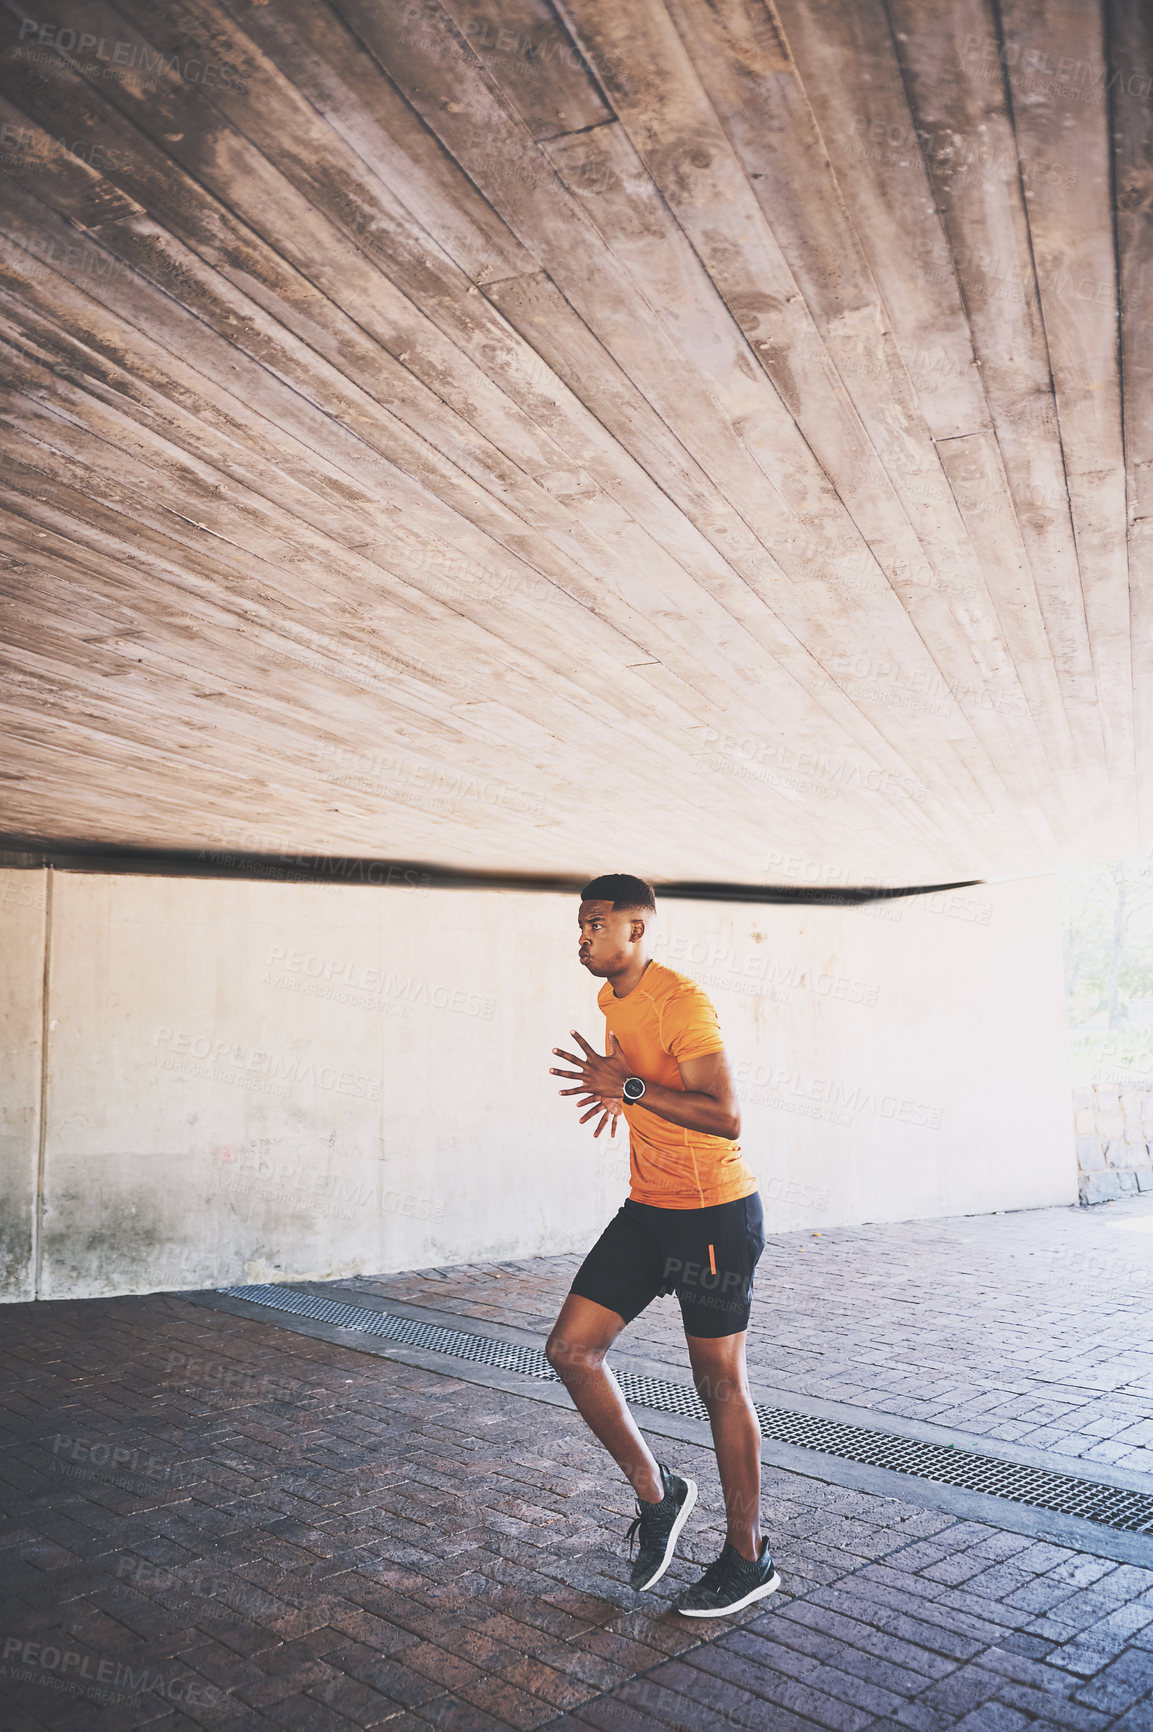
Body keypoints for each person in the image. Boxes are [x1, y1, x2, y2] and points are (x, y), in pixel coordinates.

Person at [546, 873, 779, 1617]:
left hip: (713, 1216)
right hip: (648, 1209)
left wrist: (634, 1089)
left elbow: (727, 1115)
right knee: (571, 1352)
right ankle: (659, 1493)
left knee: (718, 1389)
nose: (580, 937)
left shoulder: (680, 999)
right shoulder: (609, 999)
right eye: (579, 926)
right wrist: (624, 1096)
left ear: (635, 929)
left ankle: (747, 1557)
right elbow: (644, 1084)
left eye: (593, 925)